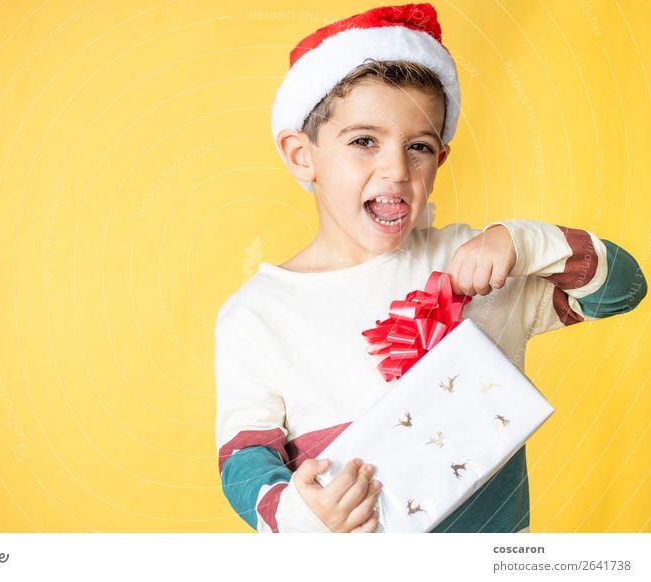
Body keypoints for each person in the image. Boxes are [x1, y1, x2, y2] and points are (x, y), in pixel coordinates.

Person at [214, 3, 646, 533]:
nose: (396, 169)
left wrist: (523, 242)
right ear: (302, 155)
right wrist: (296, 513)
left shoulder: (481, 263)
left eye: (418, 147)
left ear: (439, 161)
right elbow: (242, 457)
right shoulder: (256, 315)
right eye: (363, 141)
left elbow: (623, 289)